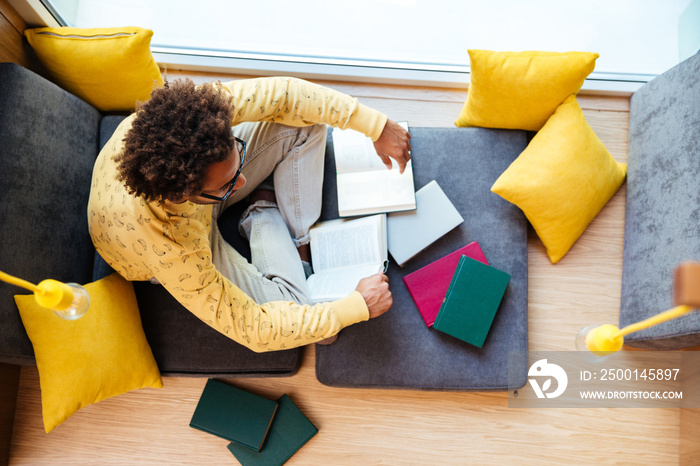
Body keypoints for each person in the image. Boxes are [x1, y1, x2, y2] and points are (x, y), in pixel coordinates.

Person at [88, 76, 411, 352]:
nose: (242, 180)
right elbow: (253, 330)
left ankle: (292, 235)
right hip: (172, 244)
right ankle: (264, 210)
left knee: (302, 124)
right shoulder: (170, 247)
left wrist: (376, 126)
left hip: (196, 203)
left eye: (236, 158)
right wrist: (354, 308)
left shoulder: (192, 117)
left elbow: (288, 94)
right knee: (307, 315)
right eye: (229, 184)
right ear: (183, 194)